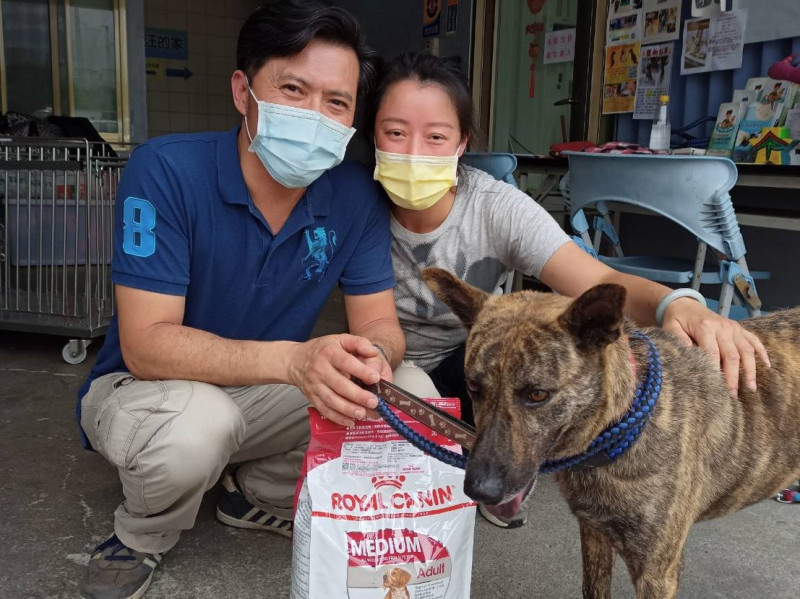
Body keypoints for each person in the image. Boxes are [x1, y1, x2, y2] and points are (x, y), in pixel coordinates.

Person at [76, 3, 408, 598]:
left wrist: (373, 354)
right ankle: (142, 534)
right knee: (200, 425)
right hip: (148, 390)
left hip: (263, 393)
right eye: (292, 89)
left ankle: (254, 493)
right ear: (242, 90)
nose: (315, 115)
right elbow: (147, 345)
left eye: (336, 102)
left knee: (407, 392)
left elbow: (380, 320)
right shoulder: (166, 170)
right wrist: (293, 362)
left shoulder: (356, 195)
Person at [364, 51, 769, 446]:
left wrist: (677, 305)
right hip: (389, 360)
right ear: (372, 135)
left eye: (436, 136)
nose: (414, 152)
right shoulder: (353, 203)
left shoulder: (495, 207)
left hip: (473, 360)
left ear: (461, 144)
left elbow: (599, 278)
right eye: (395, 132)